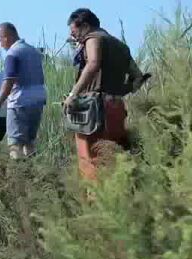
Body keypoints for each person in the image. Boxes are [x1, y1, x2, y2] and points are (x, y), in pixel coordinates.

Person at [64, 8, 149, 180]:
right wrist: (121, 90)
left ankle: (96, 202)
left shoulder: (93, 38)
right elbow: (138, 79)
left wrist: (74, 94)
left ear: (86, 26)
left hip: (94, 110)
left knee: (91, 160)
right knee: (113, 157)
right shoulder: (121, 46)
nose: (75, 37)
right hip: (116, 108)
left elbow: (93, 63)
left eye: (75, 32)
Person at [0, 23, 47, 159]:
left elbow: (9, 81)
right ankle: (32, 174)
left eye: (0, 40)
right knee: (29, 143)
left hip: (20, 102)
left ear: (7, 37)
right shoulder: (33, 51)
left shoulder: (13, 53)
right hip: (38, 100)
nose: (0, 45)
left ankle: (17, 175)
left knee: (15, 144)